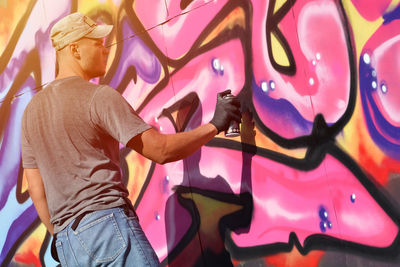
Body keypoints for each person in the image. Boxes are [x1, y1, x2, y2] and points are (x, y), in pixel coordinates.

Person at [21, 12, 241, 267]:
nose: (106, 51)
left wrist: (62, 233)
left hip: (67, 245)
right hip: (108, 229)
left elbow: (37, 191)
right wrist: (215, 125)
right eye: (97, 44)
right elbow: (161, 150)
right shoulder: (98, 97)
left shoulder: (31, 113)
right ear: (74, 49)